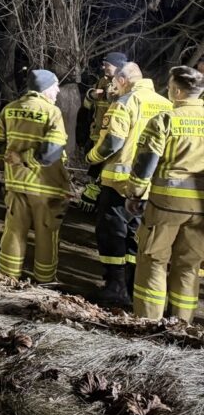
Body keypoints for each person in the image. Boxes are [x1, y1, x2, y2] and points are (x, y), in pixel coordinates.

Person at [85, 62, 172, 305]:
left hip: (119, 184)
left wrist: (91, 158)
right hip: (151, 186)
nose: (113, 89)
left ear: (123, 80)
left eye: (115, 84)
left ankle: (115, 288)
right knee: (137, 236)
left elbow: (112, 141)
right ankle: (134, 288)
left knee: (112, 233)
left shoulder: (125, 103)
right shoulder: (166, 104)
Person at [126, 66, 204, 321]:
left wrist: (135, 194)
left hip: (166, 206)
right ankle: (183, 324)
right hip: (201, 210)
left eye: (170, 86)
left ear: (178, 91)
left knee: (154, 261)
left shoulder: (165, 119)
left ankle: (148, 322)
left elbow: (145, 162)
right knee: (188, 266)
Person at [0, 69, 69, 283]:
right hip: (45, 185)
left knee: (14, 230)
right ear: (45, 88)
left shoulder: (10, 109)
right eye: (55, 86)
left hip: (16, 182)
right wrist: (25, 158)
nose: (58, 90)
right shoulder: (52, 112)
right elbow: (52, 150)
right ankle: (45, 281)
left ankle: (8, 276)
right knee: (46, 234)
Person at [79, 52, 129, 211]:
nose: (103, 67)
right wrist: (92, 95)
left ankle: (104, 204)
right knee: (95, 170)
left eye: (107, 65)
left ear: (118, 67)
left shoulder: (125, 84)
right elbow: (87, 105)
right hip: (97, 135)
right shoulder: (102, 81)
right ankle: (94, 201)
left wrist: (109, 92)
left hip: (113, 137)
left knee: (105, 172)